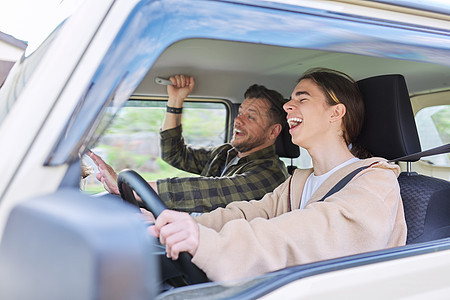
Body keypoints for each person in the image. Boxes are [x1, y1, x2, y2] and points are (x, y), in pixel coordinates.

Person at [148, 68, 407, 282]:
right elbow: (248, 213)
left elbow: (309, 233)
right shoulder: (299, 181)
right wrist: (184, 224)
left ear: (335, 113)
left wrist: (209, 243)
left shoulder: (376, 181)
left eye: (302, 99)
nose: (287, 106)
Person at [89, 75, 289, 212]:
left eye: (251, 117)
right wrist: (175, 100)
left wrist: (134, 188)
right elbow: (174, 154)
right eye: (240, 113)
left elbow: (214, 190)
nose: (238, 120)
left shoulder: (271, 174)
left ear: (273, 132)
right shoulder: (226, 153)